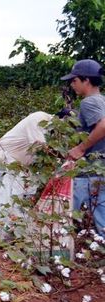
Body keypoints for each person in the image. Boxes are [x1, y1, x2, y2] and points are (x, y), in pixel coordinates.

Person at [0, 111, 53, 241]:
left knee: (12, 199)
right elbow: (41, 146)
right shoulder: (39, 118)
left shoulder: (52, 130)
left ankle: (5, 234)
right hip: (2, 159)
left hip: (17, 165)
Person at [61, 59, 105, 234]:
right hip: (100, 170)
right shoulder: (101, 100)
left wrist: (80, 148)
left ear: (86, 80)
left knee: (62, 213)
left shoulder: (89, 102)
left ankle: (57, 252)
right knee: (102, 218)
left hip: (89, 173)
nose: (72, 85)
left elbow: (103, 125)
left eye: (74, 80)